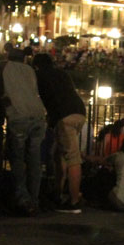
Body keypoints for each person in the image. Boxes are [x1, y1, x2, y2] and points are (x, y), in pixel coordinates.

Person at [0, 44, 48, 215]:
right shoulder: (29, 69)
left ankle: (23, 200)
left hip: (19, 116)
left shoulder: (2, 66)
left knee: (17, 158)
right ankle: (34, 200)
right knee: (34, 159)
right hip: (39, 116)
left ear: (8, 56)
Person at [32, 52, 87, 213]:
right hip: (79, 112)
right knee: (58, 154)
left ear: (36, 65)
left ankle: (74, 201)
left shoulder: (38, 75)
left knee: (72, 158)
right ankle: (58, 192)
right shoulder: (62, 73)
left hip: (64, 117)